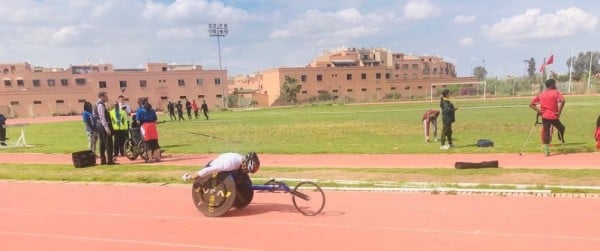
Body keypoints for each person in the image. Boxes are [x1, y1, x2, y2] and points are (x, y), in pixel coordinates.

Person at [529, 79, 565, 156]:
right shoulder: (556, 92)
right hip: (554, 116)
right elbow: (563, 100)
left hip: (545, 116)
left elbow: (531, 104)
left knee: (546, 131)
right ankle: (561, 136)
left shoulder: (541, 94)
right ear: (551, 85)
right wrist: (559, 111)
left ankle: (546, 150)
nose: (556, 86)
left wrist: (539, 110)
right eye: (555, 84)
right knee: (561, 128)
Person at [182, 152, 260, 181]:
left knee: (242, 178)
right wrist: (192, 176)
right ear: (245, 164)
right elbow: (208, 170)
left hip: (225, 164)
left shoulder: (241, 159)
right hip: (213, 166)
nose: (247, 172)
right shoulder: (229, 164)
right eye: (247, 170)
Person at [95, 92, 117, 165]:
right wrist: (106, 127)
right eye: (106, 96)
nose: (107, 97)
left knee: (102, 143)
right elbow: (102, 117)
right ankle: (109, 160)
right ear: (101, 97)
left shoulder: (97, 104)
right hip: (103, 125)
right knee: (108, 142)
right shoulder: (100, 105)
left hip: (99, 125)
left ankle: (103, 160)